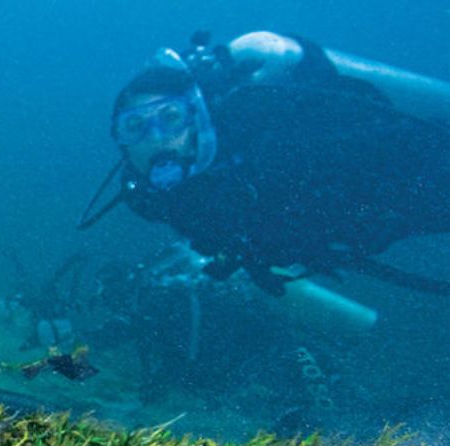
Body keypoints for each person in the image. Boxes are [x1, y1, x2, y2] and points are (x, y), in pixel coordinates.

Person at [81, 31, 450, 295]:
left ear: (197, 117)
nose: (157, 137)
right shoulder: (155, 199)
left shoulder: (271, 139)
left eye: (172, 117)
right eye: (135, 126)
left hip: (418, 176)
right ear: (122, 143)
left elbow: (396, 146)